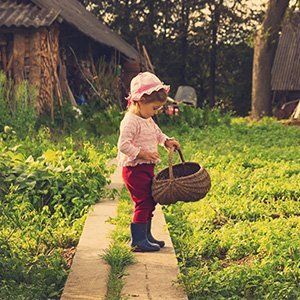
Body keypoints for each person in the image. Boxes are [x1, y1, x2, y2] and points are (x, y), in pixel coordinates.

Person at [117, 72, 180, 252]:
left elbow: (158, 134)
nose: (156, 111)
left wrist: (166, 141)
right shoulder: (130, 121)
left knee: (150, 200)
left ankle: (146, 235)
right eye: (154, 108)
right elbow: (123, 145)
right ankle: (137, 240)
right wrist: (141, 153)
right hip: (134, 169)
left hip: (146, 168)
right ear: (139, 101)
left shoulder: (147, 118)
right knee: (143, 201)